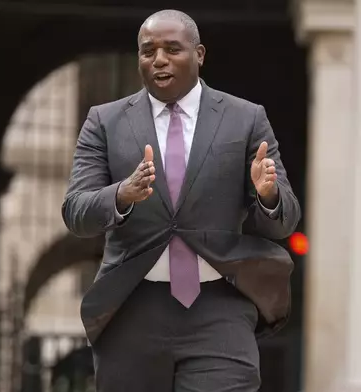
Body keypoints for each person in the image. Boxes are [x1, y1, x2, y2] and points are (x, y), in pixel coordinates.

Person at [62, 9, 301, 392]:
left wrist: (267, 193)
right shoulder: (104, 122)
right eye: (148, 51)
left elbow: (284, 221)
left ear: (200, 54)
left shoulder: (246, 118)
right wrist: (122, 194)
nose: (159, 59)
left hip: (219, 307)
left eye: (172, 49)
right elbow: (76, 212)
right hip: (131, 308)